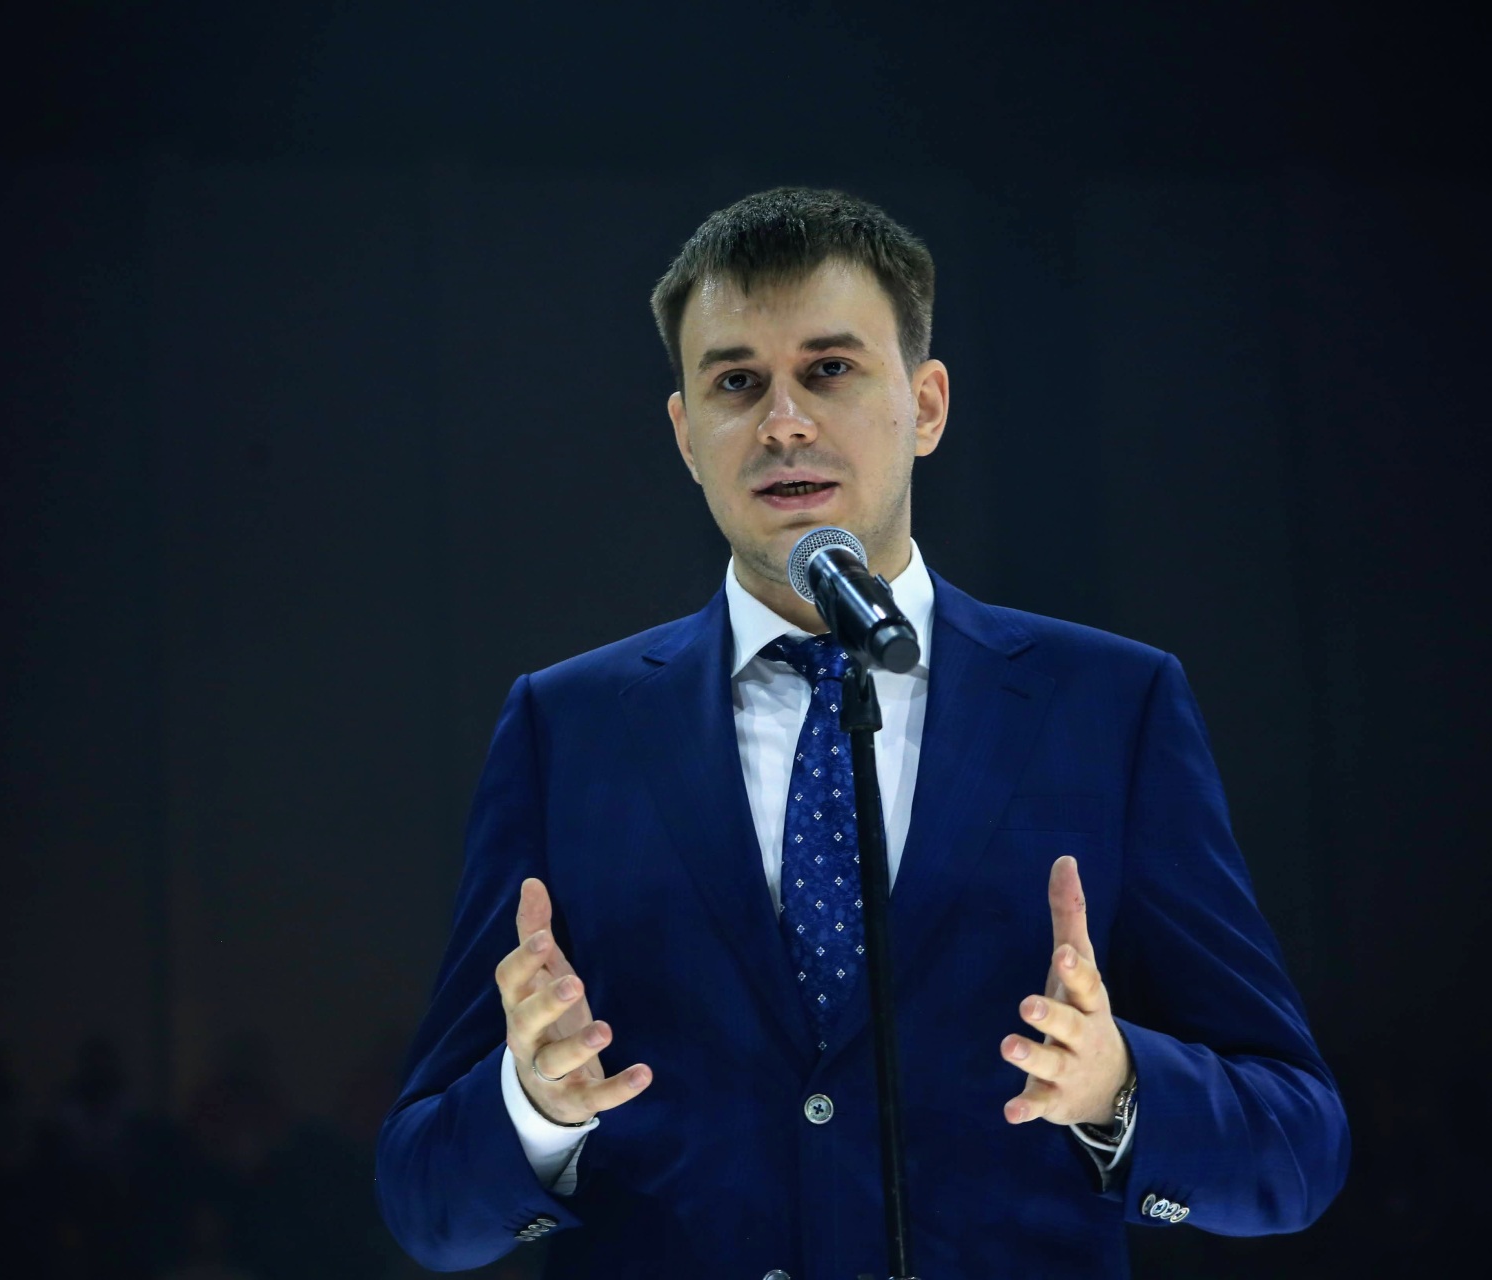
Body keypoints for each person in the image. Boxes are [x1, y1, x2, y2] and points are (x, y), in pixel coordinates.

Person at [376, 187, 1349, 1278]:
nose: (783, 422)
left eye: (830, 369)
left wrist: (1119, 1086)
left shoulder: (1111, 707)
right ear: (686, 435)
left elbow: (1299, 1147)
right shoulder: (567, 728)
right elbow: (423, 1199)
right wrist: (533, 1107)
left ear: (926, 405)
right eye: (737, 382)